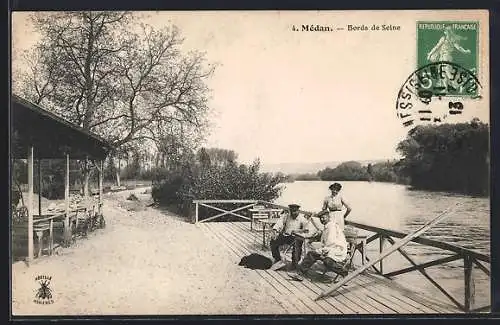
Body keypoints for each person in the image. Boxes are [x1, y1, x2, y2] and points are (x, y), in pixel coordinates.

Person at [288, 212, 349, 281]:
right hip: (331, 250)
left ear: (328, 217)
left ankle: (344, 273)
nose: (322, 219)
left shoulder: (331, 227)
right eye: (321, 218)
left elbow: (330, 244)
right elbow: (325, 243)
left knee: (327, 261)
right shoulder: (327, 227)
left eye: (324, 217)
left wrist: (319, 251)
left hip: (338, 251)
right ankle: (300, 274)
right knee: (311, 254)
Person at [270, 203, 308, 269]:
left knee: (297, 245)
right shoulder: (287, 216)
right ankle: (277, 259)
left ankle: (294, 263)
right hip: (286, 236)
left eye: (295, 211)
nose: (293, 213)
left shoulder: (302, 219)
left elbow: (306, 230)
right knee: (273, 241)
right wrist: (275, 230)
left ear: (298, 211)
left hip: (296, 237)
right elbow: (280, 222)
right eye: (291, 211)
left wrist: (297, 231)